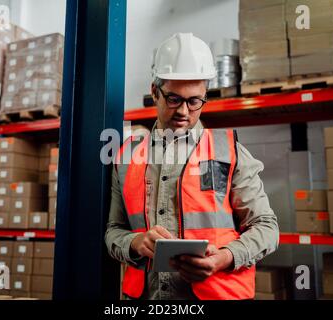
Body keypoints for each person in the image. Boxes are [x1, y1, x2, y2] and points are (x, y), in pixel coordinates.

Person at [105, 33, 279, 300]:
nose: (184, 111)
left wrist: (224, 257)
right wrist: (135, 243)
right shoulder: (126, 157)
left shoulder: (229, 152)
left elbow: (266, 227)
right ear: (155, 92)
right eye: (174, 99)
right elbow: (113, 230)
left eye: (195, 101)